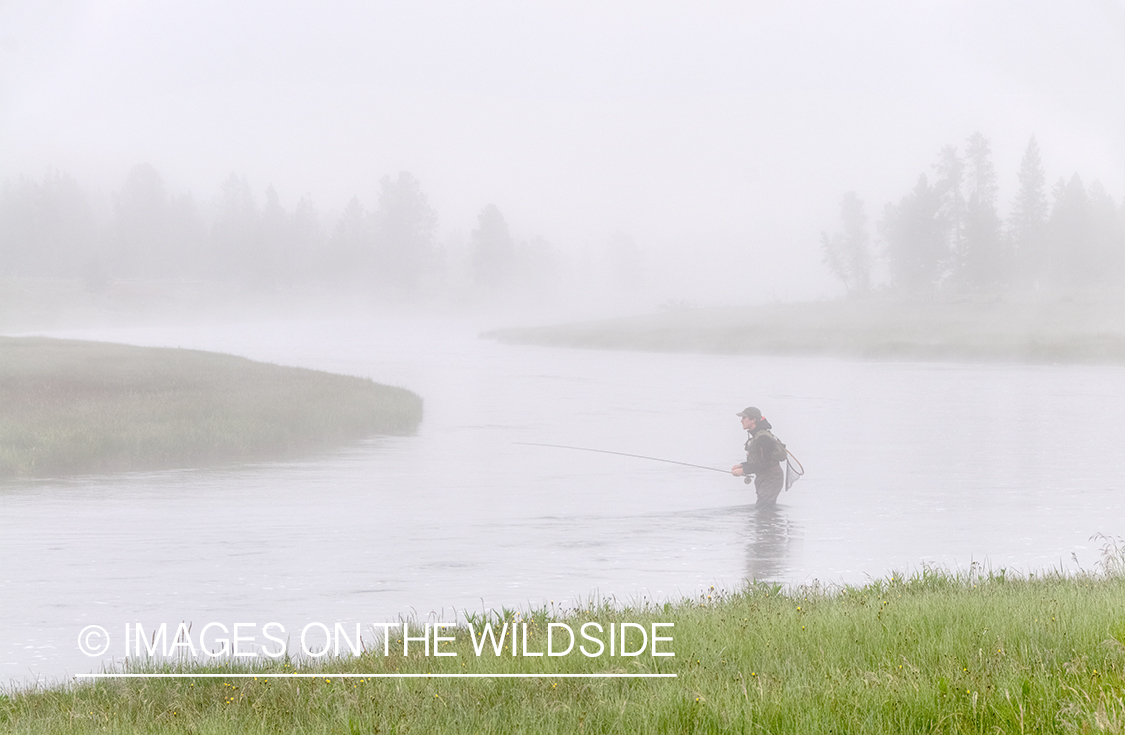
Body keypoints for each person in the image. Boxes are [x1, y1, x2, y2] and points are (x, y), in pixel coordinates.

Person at [731, 406, 787, 507]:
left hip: (771, 478)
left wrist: (744, 470)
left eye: (744, 418)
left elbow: (765, 463)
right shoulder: (758, 435)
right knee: (764, 511)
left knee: (763, 509)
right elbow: (760, 459)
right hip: (765, 477)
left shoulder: (763, 438)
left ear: (753, 420)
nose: (741, 421)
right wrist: (742, 466)